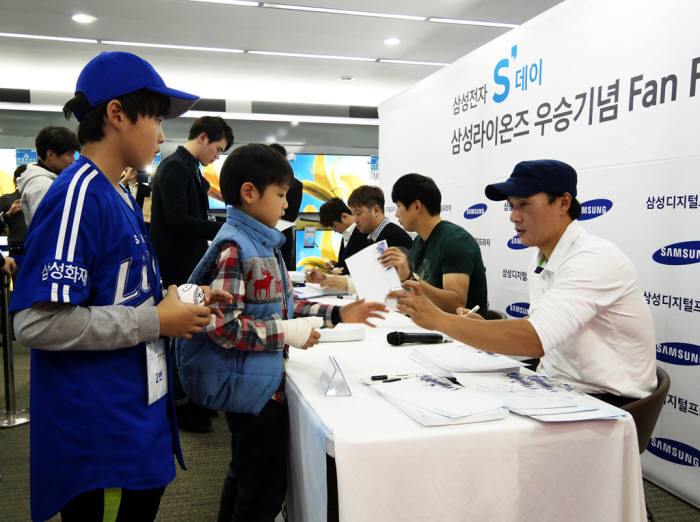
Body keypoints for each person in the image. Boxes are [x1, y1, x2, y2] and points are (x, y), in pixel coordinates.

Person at [10, 51, 232, 522]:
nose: (161, 133)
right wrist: (156, 320)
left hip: (131, 413)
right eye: (154, 117)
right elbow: (36, 321)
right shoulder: (77, 195)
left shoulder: (117, 193)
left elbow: (120, 292)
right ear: (117, 114)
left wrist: (184, 301)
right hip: (99, 430)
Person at [190, 143, 386, 521]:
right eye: (280, 195)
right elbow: (224, 327)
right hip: (253, 389)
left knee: (245, 475)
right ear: (249, 193)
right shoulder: (235, 247)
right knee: (261, 490)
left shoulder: (261, 242)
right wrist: (289, 332)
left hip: (260, 383)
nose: (285, 205)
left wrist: (341, 313)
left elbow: (285, 304)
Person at [395, 159, 657, 404]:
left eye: (524, 205)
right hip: (554, 384)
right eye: (511, 206)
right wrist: (482, 328)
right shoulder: (540, 258)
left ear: (563, 203)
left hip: (603, 400)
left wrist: (438, 319)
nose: (513, 216)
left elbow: (534, 340)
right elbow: (542, 331)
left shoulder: (594, 259)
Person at [149, 115, 234, 432]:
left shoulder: (190, 170)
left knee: (192, 334)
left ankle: (192, 400)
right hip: (176, 266)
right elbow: (177, 219)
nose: (217, 156)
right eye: (218, 148)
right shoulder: (174, 168)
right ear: (203, 137)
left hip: (189, 263)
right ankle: (181, 406)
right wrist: (222, 228)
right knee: (180, 339)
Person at [380, 173, 488, 317]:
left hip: (461, 335)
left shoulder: (455, 241)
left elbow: (455, 305)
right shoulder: (419, 241)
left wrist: (410, 278)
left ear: (417, 206)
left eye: (399, 206)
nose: (396, 214)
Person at [306, 185, 411, 291]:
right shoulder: (373, 237)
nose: (355, 220)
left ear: (376, 211)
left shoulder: (394, 237)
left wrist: (345, 283)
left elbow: (387, 286)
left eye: (358, 214)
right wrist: (326, 278)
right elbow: (366, 278)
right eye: (353, 214)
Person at [17, 125, 80, 226]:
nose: (73, 161)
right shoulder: (42, 186)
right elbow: (50, 228)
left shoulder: (48, 181)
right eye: (70, 154)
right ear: (50, 155)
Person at [319, 197, 369, 274]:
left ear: (344, 216)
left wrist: (340, 272)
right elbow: (348, 264)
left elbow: (364, 267)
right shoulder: (346, 234)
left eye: (335, 226)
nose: (335, 231)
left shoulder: (364, 232)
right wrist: (336, 265)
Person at [0, 165, 28, 263]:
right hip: (17, 252)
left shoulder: (40, 198)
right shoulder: (6, 200)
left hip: (37, 251)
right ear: (15, 181)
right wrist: (8, 214)